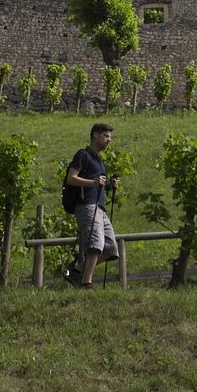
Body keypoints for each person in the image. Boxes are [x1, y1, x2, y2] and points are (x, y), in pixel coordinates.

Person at [65, 123, 119, 288]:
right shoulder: (83, 155)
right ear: (95, 135)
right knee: (95, 243)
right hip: (86, 205)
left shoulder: (100, 161)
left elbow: (97, 184)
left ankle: (76, 272)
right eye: (106, 136)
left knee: (110, 248)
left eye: (110, 137)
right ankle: (86, 283)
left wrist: (109, 186)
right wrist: (93, 182)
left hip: (99, 207)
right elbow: (71, 178)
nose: (109, 140)